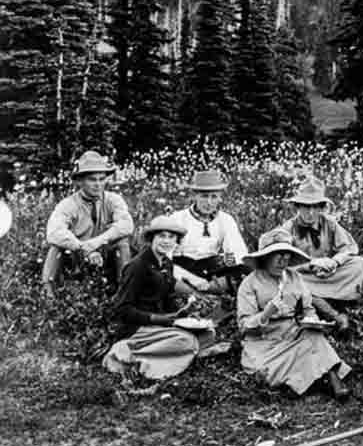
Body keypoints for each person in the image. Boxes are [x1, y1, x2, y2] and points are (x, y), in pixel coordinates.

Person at [102, 213, 223, 384]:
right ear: (151, 238)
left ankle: (172, 352)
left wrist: (184, 314)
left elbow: (167, 295)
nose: (166, 241)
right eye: (161, 236)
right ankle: (131, 356)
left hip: (160, 325)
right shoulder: (137, 266)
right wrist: (159, 318)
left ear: (176, 241)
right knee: (186, 341)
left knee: (209, 333)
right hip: (138, 327)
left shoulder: (166, 263)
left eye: (171, 237)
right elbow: (121, 309)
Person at [236, 237, 352, 399]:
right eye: (277, 255)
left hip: (291, 335)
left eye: (286, 255)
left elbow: (308, 309)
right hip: (264, 345)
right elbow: (244, 325)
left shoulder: (294, 277)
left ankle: (332, 379)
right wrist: (267, 313)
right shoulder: (250, 284)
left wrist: (313, 321)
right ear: (265, 257)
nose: (282, 260)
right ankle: (320, 378)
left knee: (314, 336)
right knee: (264, 369)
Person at [258, 178, 363, 305]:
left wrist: (334, 261)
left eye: (315, 207)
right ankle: (326, 298)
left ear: (321, 208)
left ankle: (335, 296)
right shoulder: (289, 228)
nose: (311, 213)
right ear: (298, 207)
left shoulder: (329, 223)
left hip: (328, 273)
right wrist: (312, 264)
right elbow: (277, 258)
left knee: (360, 263)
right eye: (306, 207)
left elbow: (349, 247)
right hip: (305, 275)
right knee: (286, 277)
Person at [42, 151, 135, 292]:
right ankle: (48, 295)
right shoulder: (68, 204)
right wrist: (83, 248)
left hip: (106, 256)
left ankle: (125, 291)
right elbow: (54, 232)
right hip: (76, 258)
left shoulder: (113, 199)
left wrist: (97, 242)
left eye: (102, 179)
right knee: (56, 248)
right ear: (80, 181)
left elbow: (126, 225)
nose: (98, 184)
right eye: (92, 179)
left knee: (123, 242)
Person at [170, 168, 250, 323]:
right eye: (204, 196)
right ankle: (196, 298)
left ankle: (212, 299)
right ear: (194, 196)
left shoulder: (225, 220)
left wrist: (228, 260)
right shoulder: (179, 219)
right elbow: (166, 258)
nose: (209, 202)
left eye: (214, 197)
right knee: (162, 275)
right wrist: (192, 280)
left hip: (210, 268)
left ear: (220, 198)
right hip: (182, 269)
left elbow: (238, 254)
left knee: (246, 270)